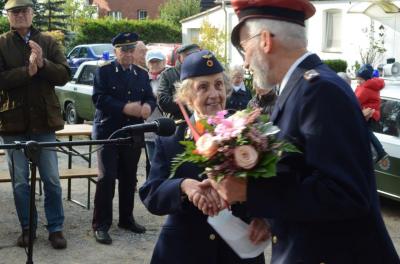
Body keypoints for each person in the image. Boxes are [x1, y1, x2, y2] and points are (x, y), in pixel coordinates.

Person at [208, 0, 400, 263]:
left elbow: (344, 194)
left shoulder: (318, 91)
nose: (246, 62)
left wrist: (250, 192)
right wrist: (268, 215)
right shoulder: (301, 87)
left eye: (245, 49)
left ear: (265, 40)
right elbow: (302, 173)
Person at [139, 50, 269, 264]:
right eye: (203, 87)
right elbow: (151, 194)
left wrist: (264, 217)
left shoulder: (248, 131)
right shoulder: (172, 138)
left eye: (219, 85)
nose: (214, 94)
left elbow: (272, 186)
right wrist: (183, 186)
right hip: (185, 251)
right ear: (187, 96)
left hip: (237, 253)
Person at [0, 0, 69, 249]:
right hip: (13, 123)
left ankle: (56, 229)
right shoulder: (1, 42)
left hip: (44, 123)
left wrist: (42, 65)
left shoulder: (48, 41)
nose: (20, 15)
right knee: (20, 182)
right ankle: (27, 228)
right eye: (14, 12)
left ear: (32, 13)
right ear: (8, 15)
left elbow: (64, 74)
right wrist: (24, 72)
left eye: (24, 11)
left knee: (51, 179)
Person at [91, 32, 156, 245]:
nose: (128, 54)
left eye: (131, 49)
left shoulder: (141, 74)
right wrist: (125, 107)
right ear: (115, 51)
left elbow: (149, 97)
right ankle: (101, 224)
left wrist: (147, 106)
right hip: (108, 132)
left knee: (129, 178)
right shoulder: (104, 72)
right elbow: (99, 99)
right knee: (107, 178)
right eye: (123, 50)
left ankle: (126, 219)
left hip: (132, 132)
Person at [157, 43, 200, 120]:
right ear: (180, 57)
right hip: (179, 123)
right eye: (188, 55)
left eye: (196, 55)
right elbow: (163, 102)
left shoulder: (205, 73)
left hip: (203, 121)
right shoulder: (168, 75)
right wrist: (186, 98)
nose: (193, 58)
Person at [355, 64, 387, 162]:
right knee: (366, 133)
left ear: (366, 79)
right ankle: (379, 152)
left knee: (367, 133)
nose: (358, 81)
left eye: (360, 79)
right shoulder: (371, 86)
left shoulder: (365, 88)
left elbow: (355, 101)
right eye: (358, 79)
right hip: (372, 114)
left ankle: (380, 152)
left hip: (369, 114)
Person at [144, 50, 167, 162]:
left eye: (157, 62)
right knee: (153, 163)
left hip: (166, 128)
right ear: (147, 64)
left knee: (166, 162)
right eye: (152, 62)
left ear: (164, 62)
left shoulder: (168, 77)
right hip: (149, 127)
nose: (154, 64)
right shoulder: (143, 78)